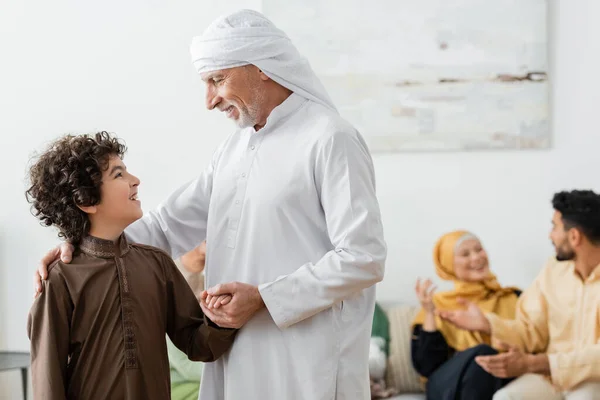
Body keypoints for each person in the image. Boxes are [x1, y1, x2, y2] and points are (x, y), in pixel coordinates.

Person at [33, 9, 387, 400]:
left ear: (263, 68)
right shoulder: (234, 149)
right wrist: (81, 249)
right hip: (234, 348)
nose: (209, 100)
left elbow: (363, 257)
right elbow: (166, 227)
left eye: (217, 79)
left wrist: (264, 298)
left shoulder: (331, 138)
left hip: (307, 357)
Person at [26, 132, 236, 399]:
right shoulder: (59, 278)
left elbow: (197, 344)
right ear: (86, 201)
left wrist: (225, 317)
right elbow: (47, 377)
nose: (135, 181)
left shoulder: (157, 264)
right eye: (119, 175)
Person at [437, 190, 600, 399]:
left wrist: (537, 363)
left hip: (592, 380)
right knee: (506, 397)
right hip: (551, 377)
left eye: (554, 227)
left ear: (574, 236)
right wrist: (487, 324)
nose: (550, 235)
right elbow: (529, 330)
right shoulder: (553, 270)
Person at [410, 230, 521, 399]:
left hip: (503, 377)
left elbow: (535, 341)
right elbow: (427, 367)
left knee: (491, 362)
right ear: (449, 264)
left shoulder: (513, 297)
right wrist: (430, 314)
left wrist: (487, 325)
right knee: (483, 355)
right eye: (465, 254)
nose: (476, 257)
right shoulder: (438, 304)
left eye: (479, 249)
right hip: (448, 386)